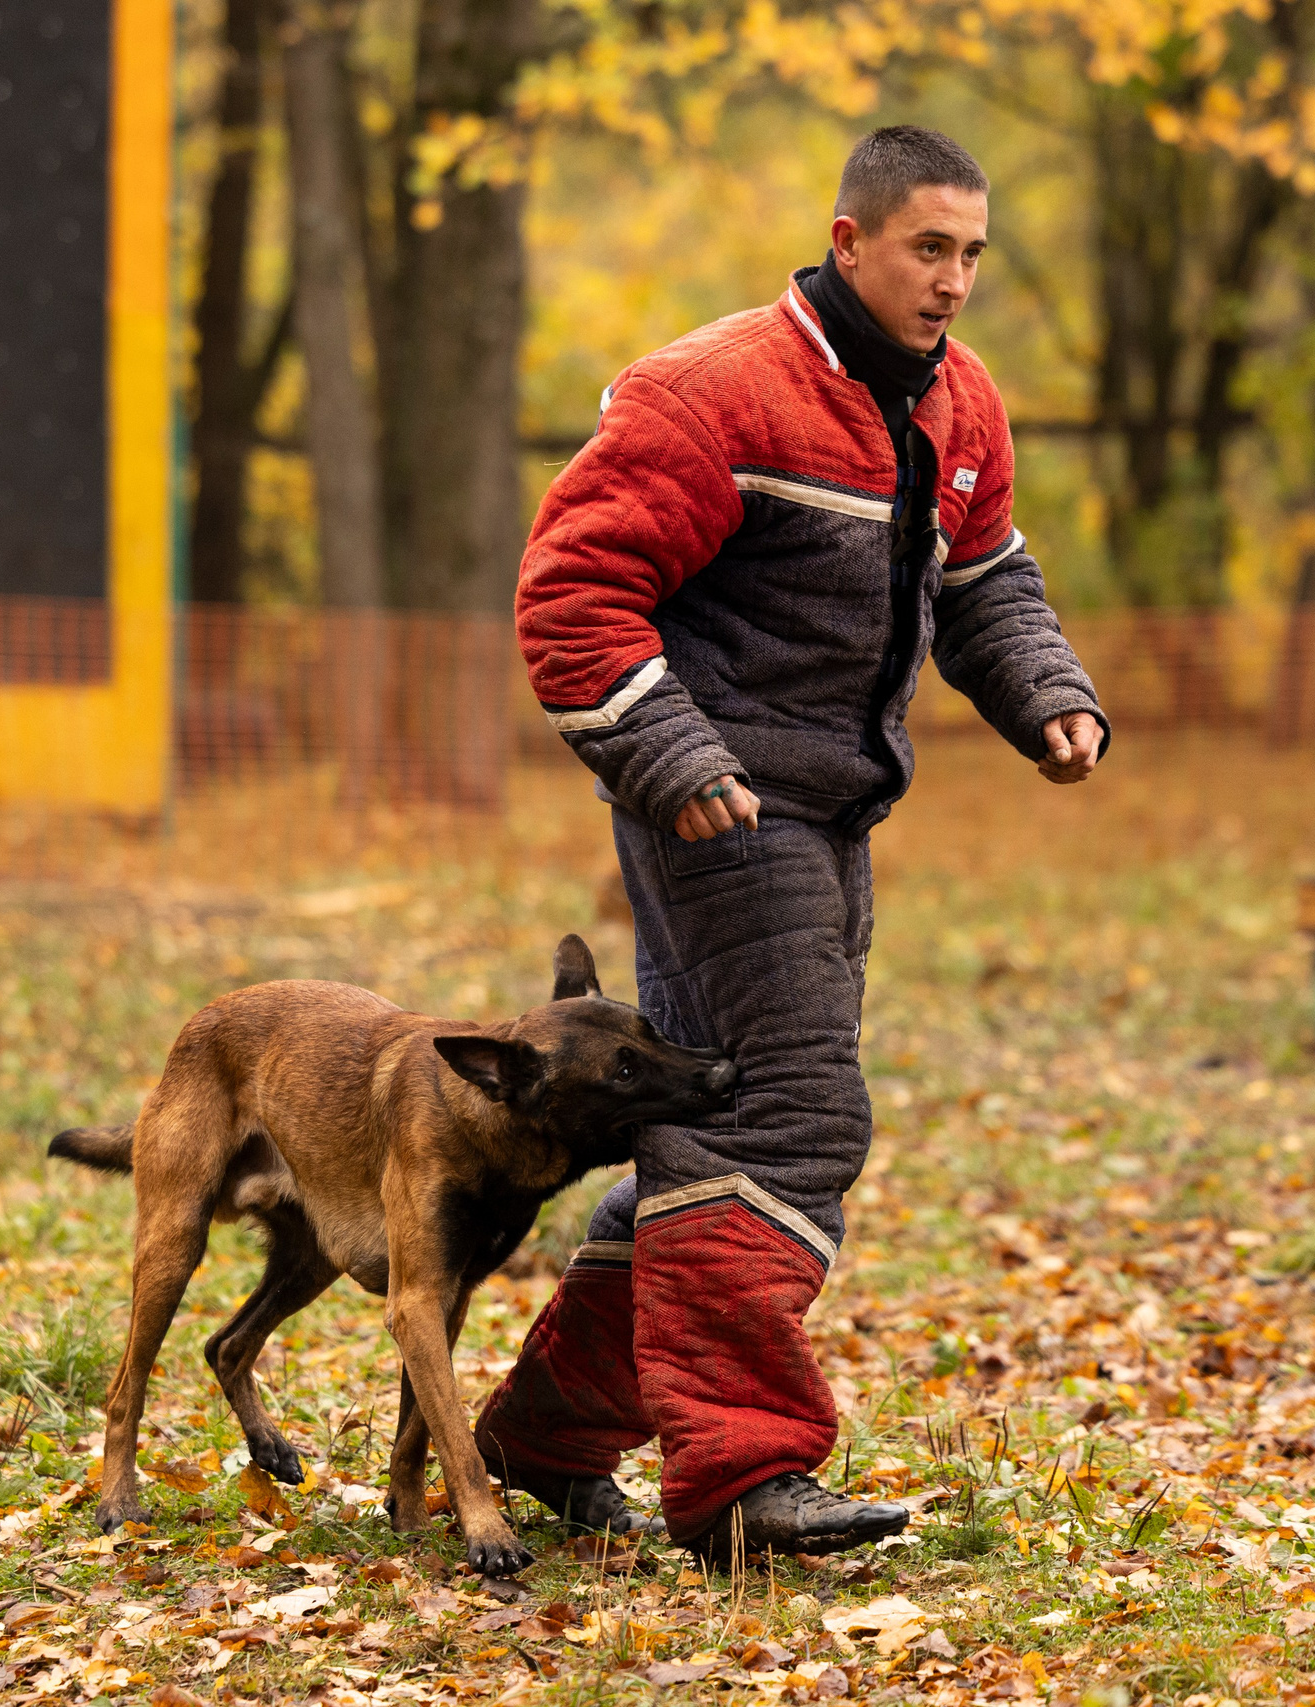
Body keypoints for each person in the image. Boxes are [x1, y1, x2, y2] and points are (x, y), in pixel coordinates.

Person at [478, 125, 1109, 1565]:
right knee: (801, 1118)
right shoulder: (715, 393)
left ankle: (546, 1434)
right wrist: (674, 757)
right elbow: (573, 595)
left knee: (715, 1127)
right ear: (848, 243)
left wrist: (1052, 700)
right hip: (716, 807)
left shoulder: (960, 408)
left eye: (972, 255)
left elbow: (989, 580)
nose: (954, 282)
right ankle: (744, 1481)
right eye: (926, 249)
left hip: (832, 811)